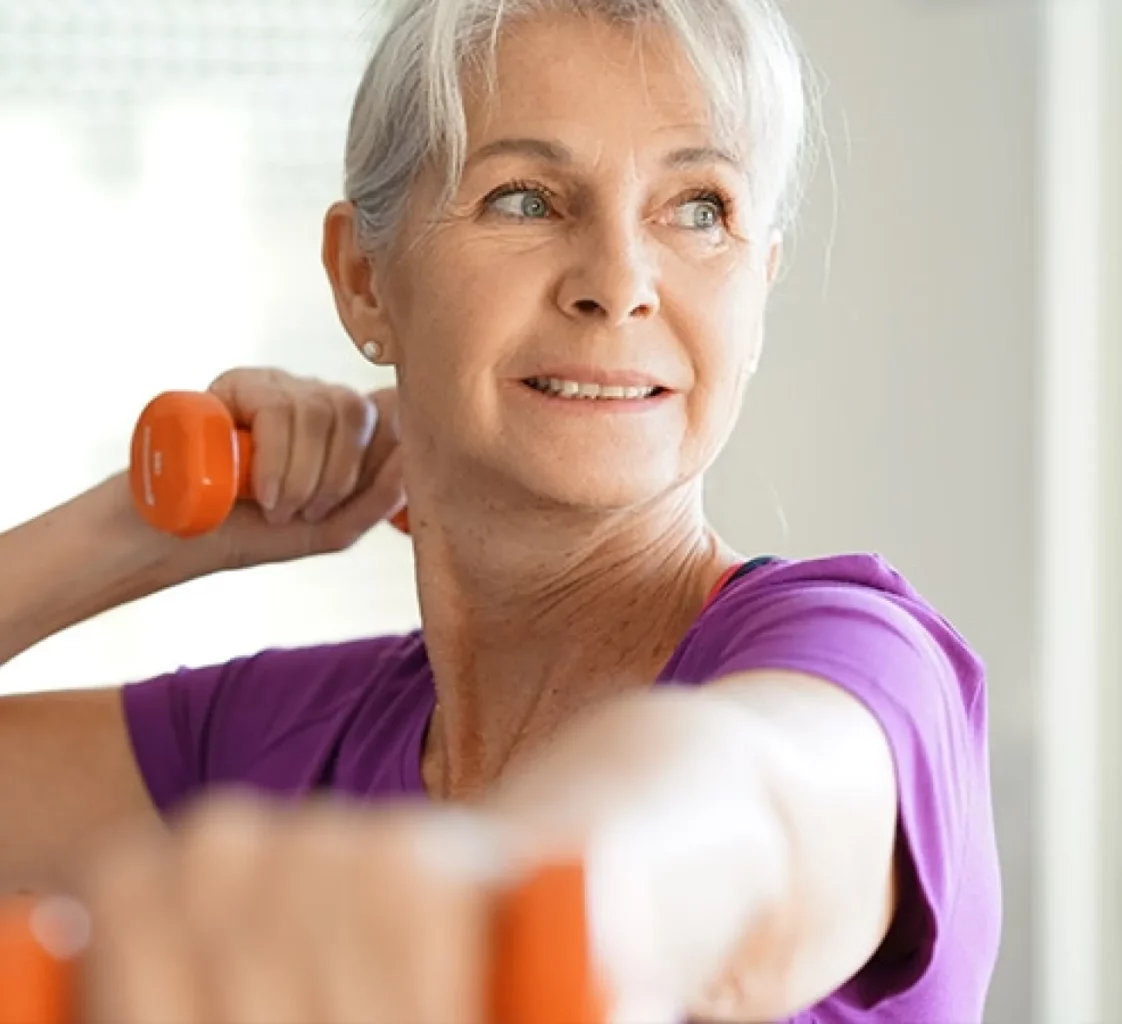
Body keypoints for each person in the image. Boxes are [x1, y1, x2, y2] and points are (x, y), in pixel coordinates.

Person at [0, 0, 1001, 1021]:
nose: (618, 283)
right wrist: (140, 527)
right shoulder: (286, 743)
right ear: (363, 281)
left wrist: (506, 892)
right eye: (525, 199)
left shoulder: (860, 659)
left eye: (699, 208)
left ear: (758, 291)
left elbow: (748, 811)